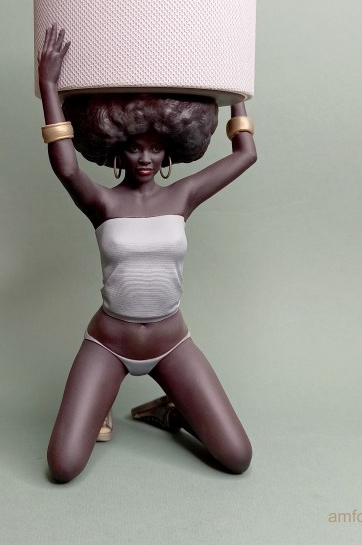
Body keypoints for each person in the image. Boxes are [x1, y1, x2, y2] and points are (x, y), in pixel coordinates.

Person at [38, 24, 257, 483]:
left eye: (155, 149)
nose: (145, 158)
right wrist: (49, 86)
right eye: (135, 147)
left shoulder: (183, 196)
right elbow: (66, 167)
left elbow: (245, 154)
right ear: (118, 151)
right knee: (63, 467)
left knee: (237, 457)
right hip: (109, 344)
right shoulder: (102, 203)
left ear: (168, 154)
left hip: (171, 342)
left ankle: (171, 409)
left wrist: (236, 93)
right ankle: (101, 402)